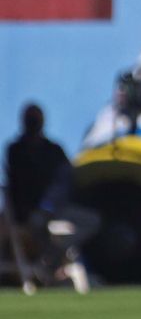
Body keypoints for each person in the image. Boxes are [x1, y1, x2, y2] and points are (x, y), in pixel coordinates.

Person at [4, 103, 100, 288]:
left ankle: (51, 259)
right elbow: (18, 186)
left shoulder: (53, 150)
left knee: (92, 221)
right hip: (29, 213)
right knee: (37, 225)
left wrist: (49, 206)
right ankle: (47, 266)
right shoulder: (16, 151)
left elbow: (65, 181)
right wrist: (36, 209)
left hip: (57, 210)